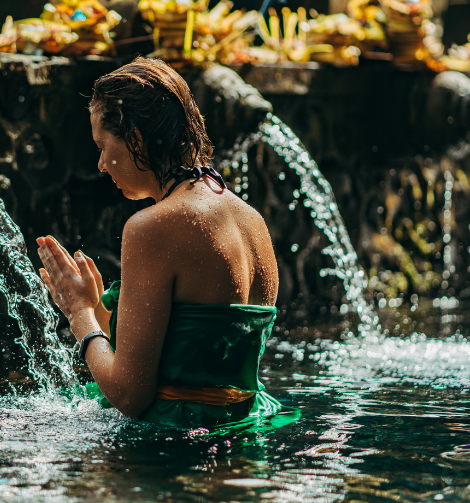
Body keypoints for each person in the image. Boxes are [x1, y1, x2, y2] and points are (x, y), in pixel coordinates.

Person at [36, 57, 293, 429]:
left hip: (175, 448)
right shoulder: (252, 221)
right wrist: (98, 310)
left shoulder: (151, 227)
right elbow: (190, 353)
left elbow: (129, 395)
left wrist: (78, 315)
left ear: (136, 139)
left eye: (102, 146)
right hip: (244, 431)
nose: (101, 164)